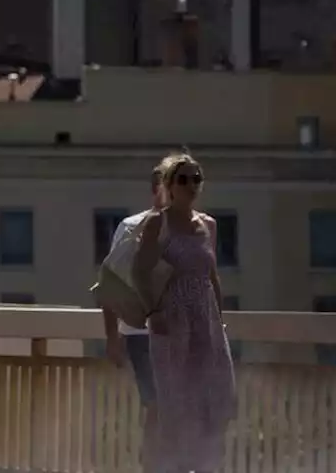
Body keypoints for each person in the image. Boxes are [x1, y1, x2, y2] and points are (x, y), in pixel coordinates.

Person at [133, 152, 236, 473]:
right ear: (169, 185)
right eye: (183, 179)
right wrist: (154, 311)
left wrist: (219, 319)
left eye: (196, 178)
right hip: (172, 323)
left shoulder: (209, 225)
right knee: (175, 401)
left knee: (212, 397)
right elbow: (139, 271)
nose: (191, 185)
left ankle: (205, 465)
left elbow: (212, 274)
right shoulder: (157, 223)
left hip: (204, 321)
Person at [101, 164, 166, 463]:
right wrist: (112, 336)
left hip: (183, 331)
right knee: (159, 405)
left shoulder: (196, 226)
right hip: (143, 332)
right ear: (156, 189)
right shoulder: (131, 227)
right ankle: (153, 465)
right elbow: (110, 281)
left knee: (182, 407)